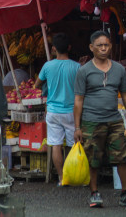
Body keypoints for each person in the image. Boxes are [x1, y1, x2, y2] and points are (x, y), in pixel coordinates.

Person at [73, 30, 126, 209]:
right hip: (90, 121)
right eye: (99, 45)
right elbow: (78, 100)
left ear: (111, 46)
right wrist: (77, 127)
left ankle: (125, 194)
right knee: (92, 159)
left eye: (106, 45)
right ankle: (94, 193)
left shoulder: (119, 69)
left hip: (115, 120)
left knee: (123, 157)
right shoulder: (84, 71)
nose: (103, 48)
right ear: (91, 47)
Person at [35, 33, 80, 186]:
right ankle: (74, 175)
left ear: (53, 48)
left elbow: (36, 84)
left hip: (53, 111)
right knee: (73, 145)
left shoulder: (47, 66)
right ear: (69, 47)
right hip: (71, 111)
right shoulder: (77, 67)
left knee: (56, 145)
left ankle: (62, 178)